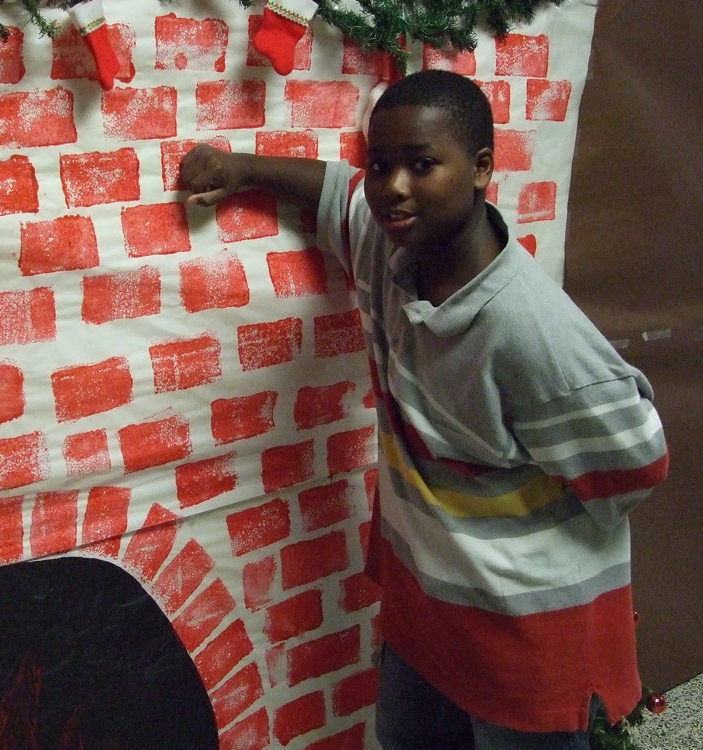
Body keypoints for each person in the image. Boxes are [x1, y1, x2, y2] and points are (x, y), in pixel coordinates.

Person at [179, 69, 669, 749]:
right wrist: (240, 168)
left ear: (481, 171)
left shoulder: (531, 335)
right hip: (428, 613)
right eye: (381, 165)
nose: (393, 186)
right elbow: (333, 189)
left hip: (521, 639)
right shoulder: (391, 245)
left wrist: (511, 508)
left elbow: (636, 465)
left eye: (422, 164)